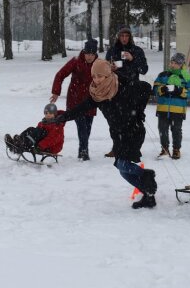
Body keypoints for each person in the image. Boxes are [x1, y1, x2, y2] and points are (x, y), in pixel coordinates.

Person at [57, 60, 156, 209]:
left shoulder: (122, 85)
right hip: (117, 134)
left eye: (100, 76)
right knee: (123, 170)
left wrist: (139, 111)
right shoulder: (97, 94)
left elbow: (146, 88)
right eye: (94, 76)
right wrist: (63, 117)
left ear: (107, 75)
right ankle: (149, 196)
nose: (96, 80)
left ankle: (146, 176)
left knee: (123, 164)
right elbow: (81, 108)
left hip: (133, 131)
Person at [103, 26, 148, 158]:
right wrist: (110, 68)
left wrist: (132, 59)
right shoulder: (112, 51)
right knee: (114, 121)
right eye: (121, 36)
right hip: (115, 90)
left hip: (133, 90)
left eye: (126, 36)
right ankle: (116, 147)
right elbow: (104, 70)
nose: (124, 38)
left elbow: (144, 69)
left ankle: (134, 148)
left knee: (133, 121)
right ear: (118, 37)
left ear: (130, 37)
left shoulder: (137, 51)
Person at [50, 39, 98, 160]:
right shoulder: (76, 61)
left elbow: (108, 78)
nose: (89, 57)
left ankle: (83, 149)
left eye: (92, 54)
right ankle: (83, 152)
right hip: (75, 101)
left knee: (87, 129)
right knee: (82, 128)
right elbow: (60, 75)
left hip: (91, 102)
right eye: (87, 53)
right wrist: (56, 92)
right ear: (84, 52)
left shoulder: (99, 64)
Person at [153, 52, 190, 159]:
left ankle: (176, 150)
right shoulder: (163, 75)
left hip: (178, 109)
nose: (172, 65)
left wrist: (180, 91)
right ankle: (164, 149)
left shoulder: (186, 76)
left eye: (175, 63)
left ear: (181, 64)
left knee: (176, 130)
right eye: (171, 62)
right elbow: (155, 89)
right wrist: (162, 89)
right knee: (162, 129)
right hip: (163, 107)